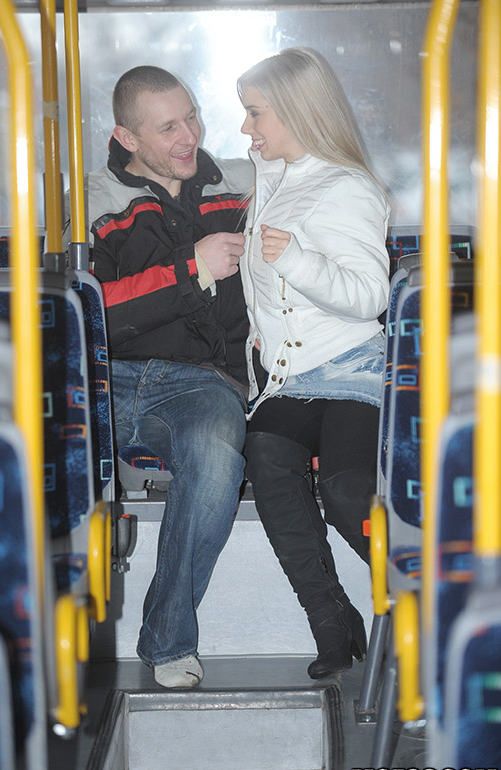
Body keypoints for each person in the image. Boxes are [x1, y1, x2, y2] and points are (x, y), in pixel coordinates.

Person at [69, 66, 254, 689]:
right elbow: (87, 312)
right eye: (168, 127)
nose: (189, 136)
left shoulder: (241, 183)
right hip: (104, 376)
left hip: (198, 382)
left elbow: (335, 184)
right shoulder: (90, 201)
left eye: (192, 117)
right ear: (126, 137)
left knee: (216, 455)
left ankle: (168, 640)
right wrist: (189, 269)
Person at [238, 48, 390, 680]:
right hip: (289, 376)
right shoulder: (272, 177)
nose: (246, 127)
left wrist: (299, 261)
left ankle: (427, 598)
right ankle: (330, 618)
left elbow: (370, 296)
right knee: (267, 456)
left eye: (255, 113)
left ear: (296, 111)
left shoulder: (347, 186)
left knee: (346, 491)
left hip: (350, 366)